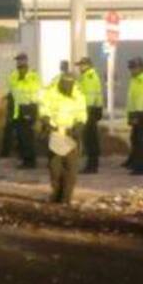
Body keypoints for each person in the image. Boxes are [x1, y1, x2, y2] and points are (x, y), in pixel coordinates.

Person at [40, 68, 87, 204]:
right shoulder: (51, 93)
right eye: (65, 84)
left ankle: (66, 197)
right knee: (55, 168)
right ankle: (56, 194)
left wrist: (79, 125)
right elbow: (44, 109)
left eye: (70, 84)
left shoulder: (78, 95)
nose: (67, 87)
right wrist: (46, 121)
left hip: (71, 135)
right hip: (55, 134)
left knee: (71, 168)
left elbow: (82, 114)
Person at [7, 53, 42, 169]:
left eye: (21, 60)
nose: (19, 63)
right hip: (17, 109)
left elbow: (36, 90)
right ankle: (25, 159)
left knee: (28, 136)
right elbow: (12, 91)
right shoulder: (13, 75)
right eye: (18, 61)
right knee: (21, 136)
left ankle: (30, 161)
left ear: (26, 61)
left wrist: (34, 111)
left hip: (29, 108)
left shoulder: (33, 75)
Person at [76, 56, 104, 174]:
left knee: (91, 139)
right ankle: (92, 164)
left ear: (87, 65)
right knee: (89, 138)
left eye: (81, 65)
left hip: (89, 110)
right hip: (89, 110)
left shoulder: (89, 77)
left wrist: (86, 111)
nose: (79, 68)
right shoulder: (85, 77)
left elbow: (88, 97)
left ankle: (92, 166)